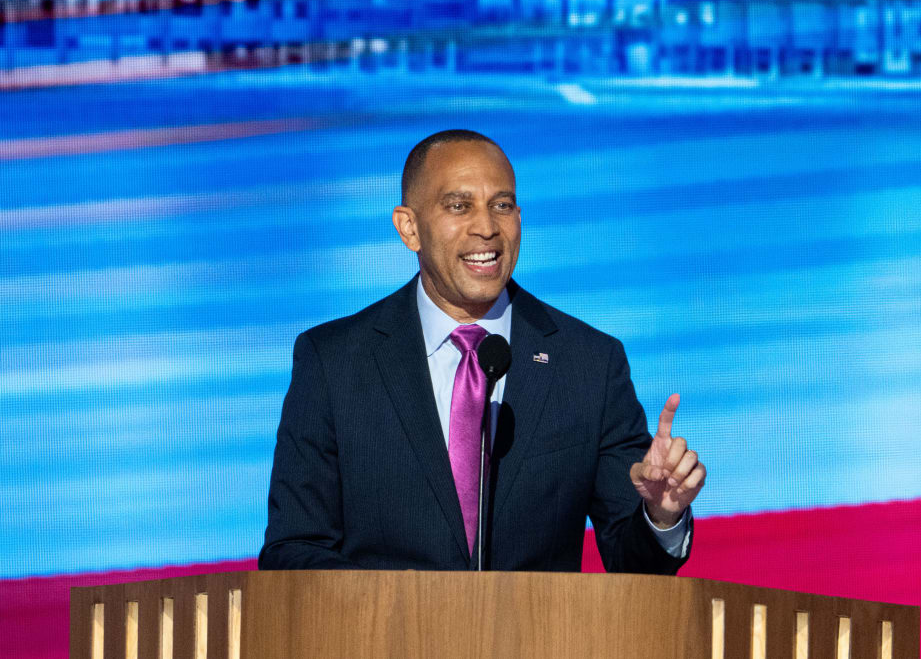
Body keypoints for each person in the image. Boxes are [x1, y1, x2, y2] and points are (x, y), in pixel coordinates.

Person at [259, 130, 706, 573]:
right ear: (409, 228)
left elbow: (634, 564)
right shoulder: (334, 361)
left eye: (502, 206)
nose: (487, 227)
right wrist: (405, 614)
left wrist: (661, 516)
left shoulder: (588, 363)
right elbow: (293, 550)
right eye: (459, 206)